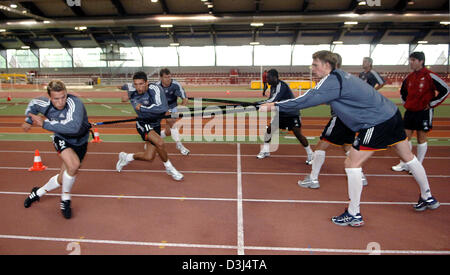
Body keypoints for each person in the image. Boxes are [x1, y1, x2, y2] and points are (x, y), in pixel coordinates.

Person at [260, 50, 440, 227]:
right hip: (391, 114)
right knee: (408, 156)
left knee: (352, 164)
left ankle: (354, 214)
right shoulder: (341, 76)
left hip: (376, 121)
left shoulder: (331, 80)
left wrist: (273, 105)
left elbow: (307, 100)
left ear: (327, 65)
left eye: (315, 65)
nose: (312, 68)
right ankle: (428, 196)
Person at [23, 80, 91, 219]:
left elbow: (74, 127)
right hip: (61, 138)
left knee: (62, 179)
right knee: (74, 166)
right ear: (50, 97)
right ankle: (65, 199)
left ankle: (37, 192)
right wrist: (28, 120)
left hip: (80, 141)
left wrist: (45, 124)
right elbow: (33, 105)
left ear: (66, 94)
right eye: (56, 99)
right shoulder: (44, 104)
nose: (60, 102)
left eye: (63, 97)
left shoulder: (75, 103)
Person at [298, 53, 368, 189]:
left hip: (340, 117)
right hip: (351, 118)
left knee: (321, 145)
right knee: (347, 146)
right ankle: (360, 176)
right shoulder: (346, 77)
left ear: (328, 64)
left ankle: (313, 179)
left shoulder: (332, 79)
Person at [115, 71, 183, 181]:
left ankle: (126, 157)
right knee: (160, 143)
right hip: (143, 123)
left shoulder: (155, 89)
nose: (138, 87)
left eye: (141, 84)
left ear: (147, 83)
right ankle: (170, 168)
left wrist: (142, 108)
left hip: (155, 123)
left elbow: (161, 108)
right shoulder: (133, 93)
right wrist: (125, 96)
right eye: (136, 84)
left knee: (149, 156)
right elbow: (127, 87)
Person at [391, 52, 449, 172]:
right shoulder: (409, 77)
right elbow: (403, 92)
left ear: (421, 61)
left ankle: (418, 165)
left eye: (413, 60)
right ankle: (405, 163)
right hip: (410, 111)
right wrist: (406, 103)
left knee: (421, 138)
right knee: (404, 138)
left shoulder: (430, 75)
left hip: (424, 112)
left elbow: (446, 89)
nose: (410, 62)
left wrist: (432, 103)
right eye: (410, 60)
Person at [256, 69, 313, 165]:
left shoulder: (281, 86)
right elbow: (271, 99)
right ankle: (265, 150)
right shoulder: (273, 86)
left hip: (292, 113)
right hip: (281, 112)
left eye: (268, 78)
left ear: (275, 77)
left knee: (298, 134)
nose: (267, 80)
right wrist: (260, 103)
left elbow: (274, 99)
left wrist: (260, 104)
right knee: (269, 130)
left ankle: (310, 154)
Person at [155, 68, 190, 155]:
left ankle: (151, 140)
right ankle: (179, 144)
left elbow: (185, 99)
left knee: (168, 132)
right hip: (161, 107)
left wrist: (180, 109)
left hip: (173, 107)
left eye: (169, 77)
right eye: (166, 77)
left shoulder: (176, 84)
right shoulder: (156, 87)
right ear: (161, 78)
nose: (168, 79)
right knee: (172, 122)